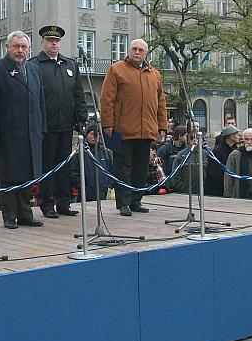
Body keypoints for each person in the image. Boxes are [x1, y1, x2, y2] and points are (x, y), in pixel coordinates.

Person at [0, 30, 46, 229]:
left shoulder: (34, 69)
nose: (20, 51)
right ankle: (9, 215)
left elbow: (40, 102)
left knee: (27, 174)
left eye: (23, 47)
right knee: (10, 176)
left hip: (31, 132)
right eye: (16, 46)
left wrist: (41, 128)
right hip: (8, 133)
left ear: (29, 49)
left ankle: (25, 214)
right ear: (7, 47)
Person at [100, 38, 167, 216]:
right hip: (120, 130)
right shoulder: (116, 70)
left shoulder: (154, 74)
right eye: (134, 49)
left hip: (146, 130)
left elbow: (160, 101)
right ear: (128, 51)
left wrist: (162, 125)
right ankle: (123, 203)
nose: (137, 52)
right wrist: (107, 124)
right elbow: (107, 99)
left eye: (141, 50)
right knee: (122, 168)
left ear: (146, 53)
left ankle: (136, 201)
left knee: (140, 167)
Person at [29, 25, 87, 219]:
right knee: (48, 166)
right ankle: (47, 204)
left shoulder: (69, 65)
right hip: (46, 126)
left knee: (65, 166)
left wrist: (81, 119)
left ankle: (64, 203)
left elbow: (78, 95)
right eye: (50, 41)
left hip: (66, 125)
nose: (54, 44)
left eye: (57, 41)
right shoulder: (34, 64)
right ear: (43, 42)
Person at [70, 124, 113, 202]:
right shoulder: (79, 153)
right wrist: (83, 187)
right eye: (92, 134)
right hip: (85, 196)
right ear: (87, 135)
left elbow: (111, 171)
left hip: (103, 195)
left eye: (97, 134)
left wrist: (109, 186)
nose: (95, 137)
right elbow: (73, 174)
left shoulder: (106, 153)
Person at [207, 125, 240, 197]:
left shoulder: (235, 150)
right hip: (218, 191)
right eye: (237, 135)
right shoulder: (218, 151)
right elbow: (214, 173)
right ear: (231, 137)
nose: (239, 137)